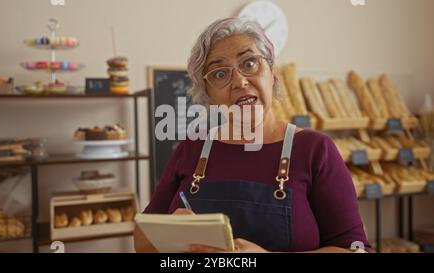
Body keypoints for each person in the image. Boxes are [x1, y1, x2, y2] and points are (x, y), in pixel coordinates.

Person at [134, 17, 370, 253]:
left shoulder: (315, 150)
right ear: (208, 95)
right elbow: (141, 242)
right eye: (219, 74)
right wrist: (171, 236)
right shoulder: (192, 147)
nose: (239, 81)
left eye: (249, 63)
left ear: (272, 74)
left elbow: (357, 250)